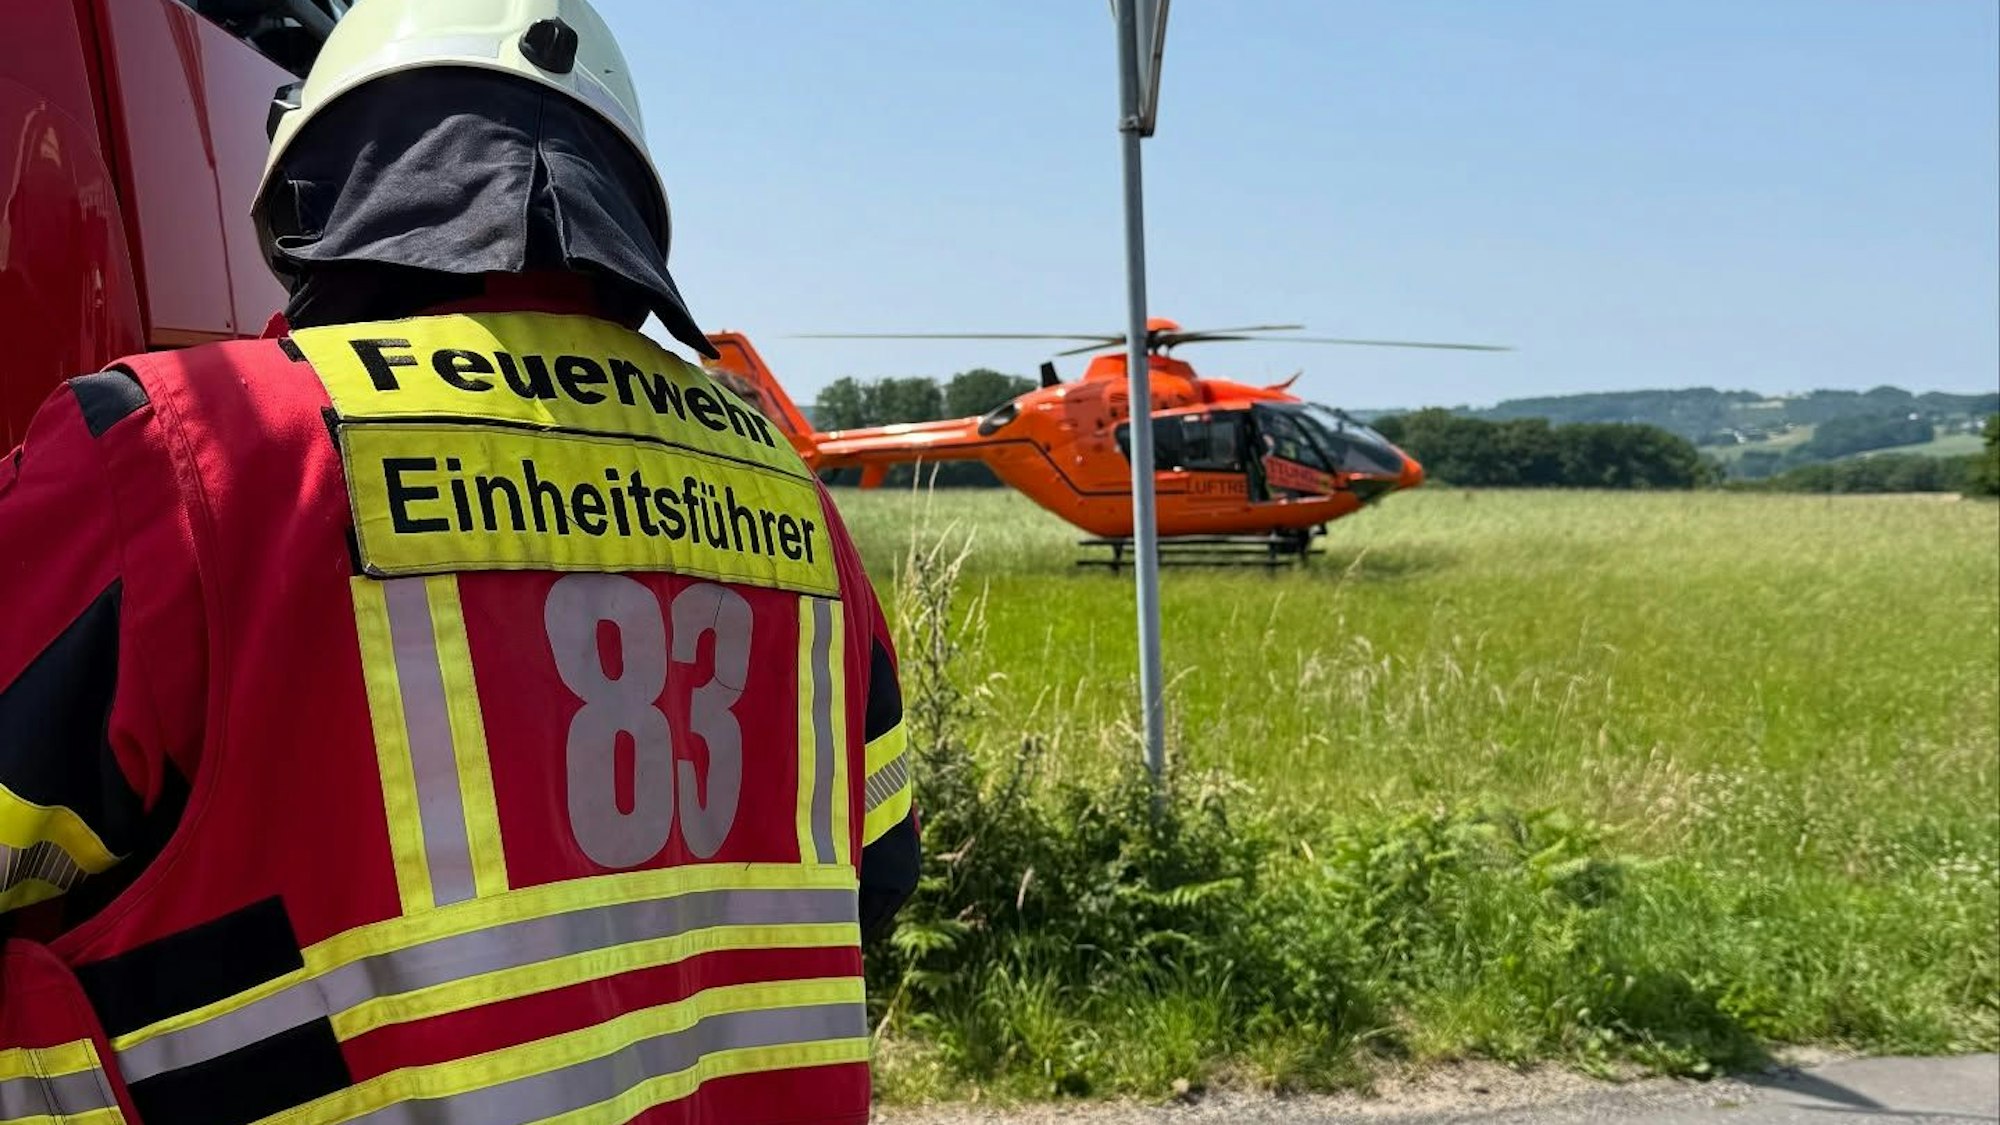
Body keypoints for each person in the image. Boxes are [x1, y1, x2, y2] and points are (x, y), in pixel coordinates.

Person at [0, 3, 916, 1122]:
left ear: (312, 195)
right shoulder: (796, 501)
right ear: (622, 212)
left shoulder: (186, 454)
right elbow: (874, 882)